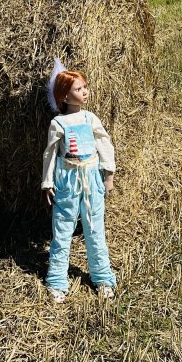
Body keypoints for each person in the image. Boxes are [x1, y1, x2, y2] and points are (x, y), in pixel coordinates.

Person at [42, 66, 117, 303]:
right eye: (78, 89)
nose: (85, 92)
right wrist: (47, 182)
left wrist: (109, 174)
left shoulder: (90, 118)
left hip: (92, 178)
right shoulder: (58, 123)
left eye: (85, 87)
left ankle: (103, 278)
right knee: (62, 230)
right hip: (67, 181)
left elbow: (104, 143)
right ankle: (56, 281)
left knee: (95, 229)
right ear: (64, 96)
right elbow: (50, 154)